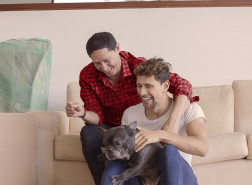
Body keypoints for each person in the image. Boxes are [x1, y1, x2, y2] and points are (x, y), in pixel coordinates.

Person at [65, 32, 198, 185]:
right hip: (111, 130)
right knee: (88, 133)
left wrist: (172, 121)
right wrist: (83, 113)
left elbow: (183, 85)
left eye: (107, 60)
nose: (104, 68)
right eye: (97, 63)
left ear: (117, 48)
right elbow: (97, 117)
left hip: (131, 131)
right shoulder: (87, 75)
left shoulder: (139, 67)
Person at [101, 57, 208, 185]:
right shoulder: (130, 113)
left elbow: (203, 148)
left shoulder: (189, 109)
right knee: (116, 159)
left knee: (168, 150)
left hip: (178, 178)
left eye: (148, 86)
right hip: (143, 177)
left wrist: (160, 135)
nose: (142, 92)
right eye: (139, 86)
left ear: (165, 86)